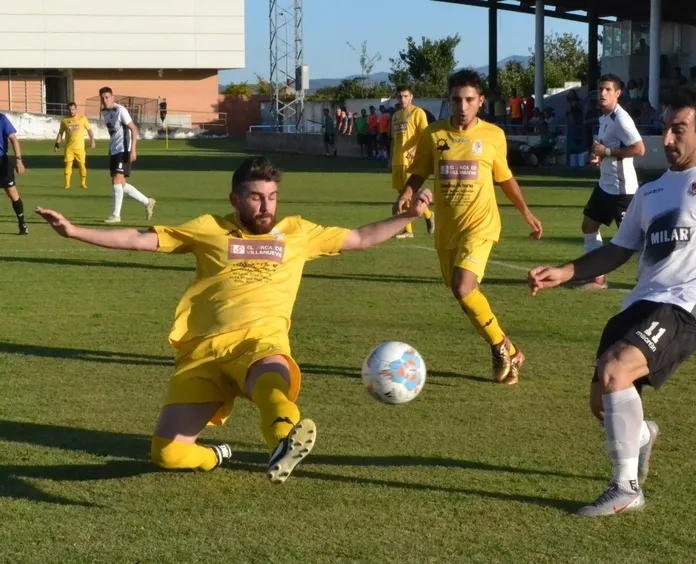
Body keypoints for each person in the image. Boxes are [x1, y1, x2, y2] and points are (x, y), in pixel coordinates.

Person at [35, 156, 434, 483]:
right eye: (257, 198)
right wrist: (74, 232)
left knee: (270, 382)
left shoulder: (298, 233)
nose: (267, 207)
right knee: (167, 454)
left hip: (260, 344)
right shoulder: (209, 230)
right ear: (235, 198)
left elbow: (360, 237)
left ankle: (283, 440)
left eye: (273, 197)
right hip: (203, 355)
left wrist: (410, 217)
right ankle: (215, 456)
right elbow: (141, 239)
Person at [527, 88, 696, 517]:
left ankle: (625, 489)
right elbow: (617, 251)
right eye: (666, 130)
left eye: (679, 130)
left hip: (686, 307)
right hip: (640, 303)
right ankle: (643, 436)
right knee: (603, 402)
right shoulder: (650, 193)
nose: (668, 139)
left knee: (617, 369)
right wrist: (565, 272)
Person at [394, 69, 543, 385]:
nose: (462, 106)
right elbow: (420, 172)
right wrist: (407, 192)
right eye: (456, 100)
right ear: (448, 101)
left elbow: (504, 178)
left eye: (469, 100)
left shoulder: (493, 136)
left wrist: (526, 212)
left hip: (481, 224)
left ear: (481, 102)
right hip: (448, 228)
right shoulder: (433, 135)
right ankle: (511, 350)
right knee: (464, 295)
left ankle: (499, 346)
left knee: (464, 286)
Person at [578, 74, 646, 290]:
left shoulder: (621, 119)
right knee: (588, 225)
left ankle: (653, 277)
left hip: (622, 191)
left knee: (634, 240)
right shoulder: (605, 118)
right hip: (605, 186)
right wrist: (599, 157)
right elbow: (607, 149)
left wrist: (607, 151)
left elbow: (639, 149)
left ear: (618, 93)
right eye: (600, 89)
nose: (602, 93)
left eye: (607, 89)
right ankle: (596, 275)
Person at [99, 87, 156, 223]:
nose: (105, 100)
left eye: (107, 97)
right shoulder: (105, 112)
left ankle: (116, 215)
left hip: (124, 150)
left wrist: (133, 150)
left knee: (116, 181)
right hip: (114, 150)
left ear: (113, 97)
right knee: (122, 184)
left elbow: (133, 128)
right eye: (102, 98)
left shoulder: (121, 111)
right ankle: (147, 201)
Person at [390, 85, 435, 239]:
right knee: (403, 196)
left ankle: (409, 229)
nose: (402, 99)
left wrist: (416, 150)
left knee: (408, 195)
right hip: (397, 159)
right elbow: (394, 139)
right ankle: (427, 216)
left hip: (410, 161)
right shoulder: (395, 116)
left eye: (405, 96)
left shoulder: (418, 113)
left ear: (411, 97)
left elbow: (426, 134)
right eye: (400, 96)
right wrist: (391, 158)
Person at [54, 102, 96, 190]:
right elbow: (60, 133)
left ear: (76, 109)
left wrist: (92, 141)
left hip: (80, 148)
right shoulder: (64, 120)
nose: (71, 111)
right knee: (68, 166)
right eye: (69, 109)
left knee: (82, 166)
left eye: (73, 109)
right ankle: (67, 184)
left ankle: (83, 183)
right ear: (67, 110)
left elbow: (89, 131)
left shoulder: (82, 119)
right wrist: (57, 143)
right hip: (69, 148)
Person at [0, 112, 28, 235]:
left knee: (12, 192)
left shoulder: (1, 119)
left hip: (2, 162)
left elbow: (14, 139)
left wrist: (19, 160)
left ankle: (22, 223)